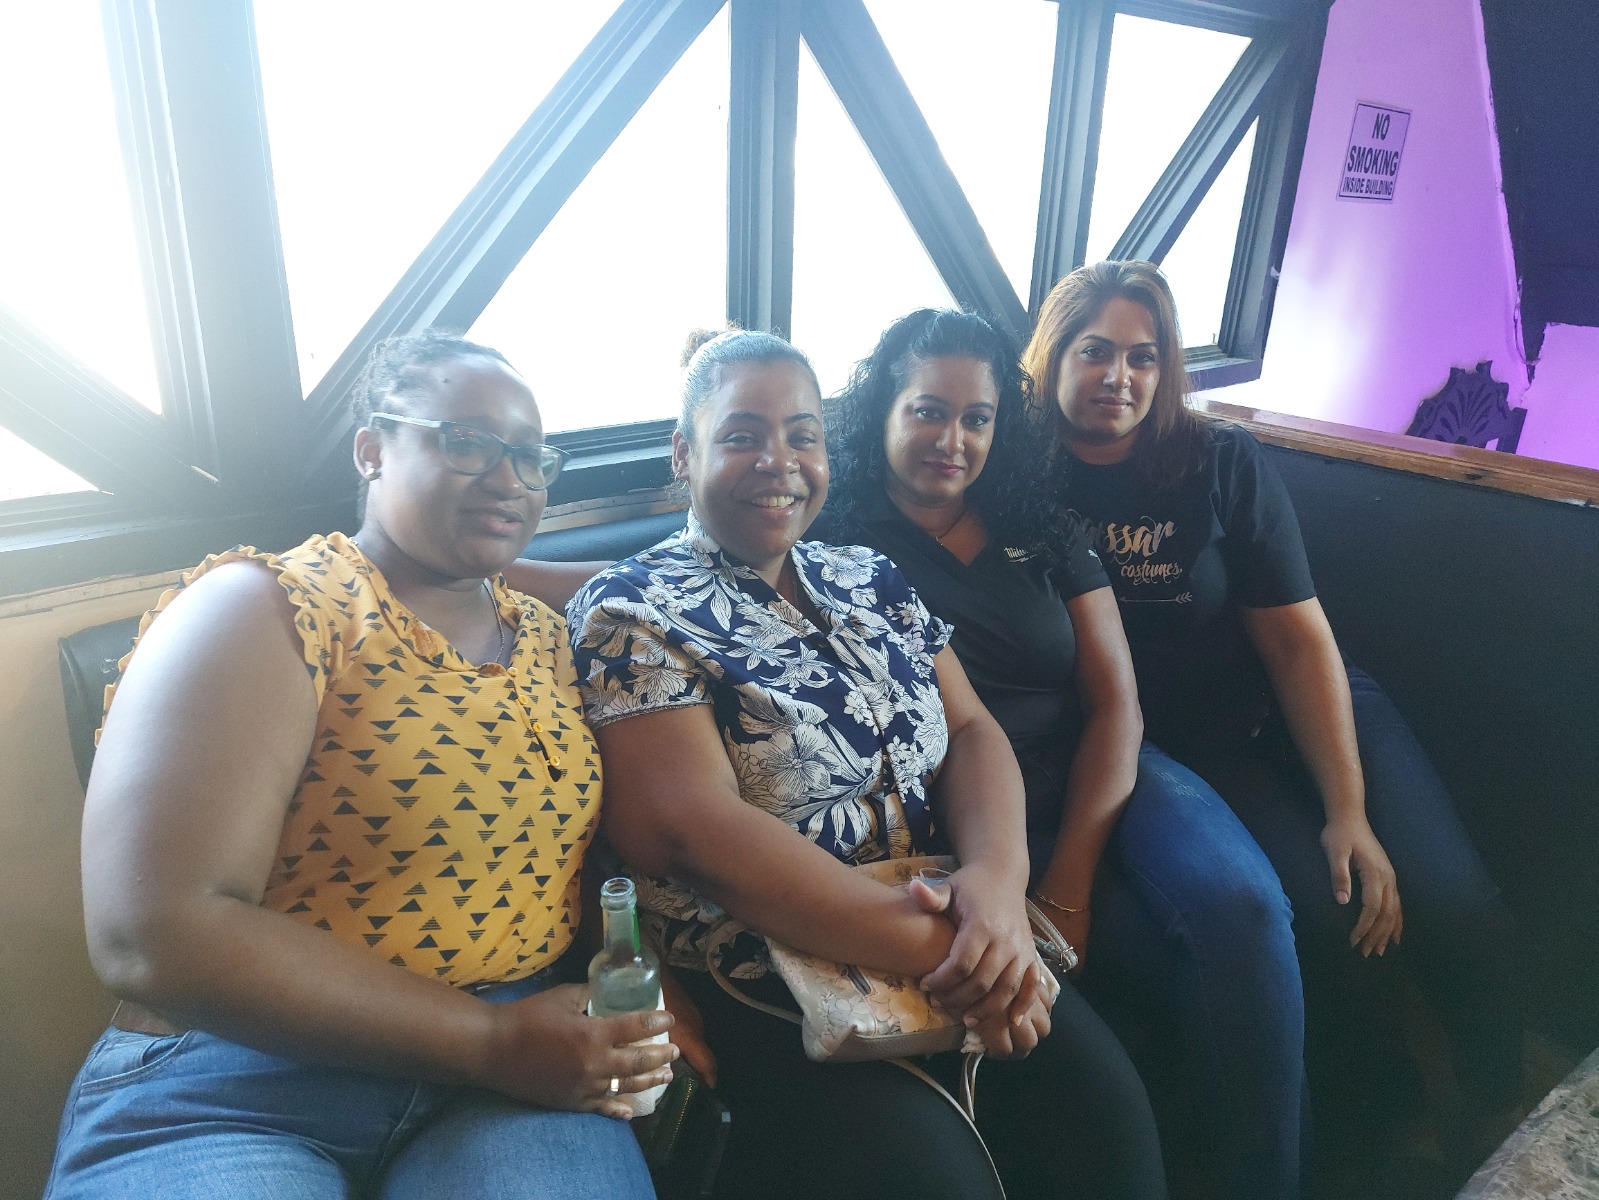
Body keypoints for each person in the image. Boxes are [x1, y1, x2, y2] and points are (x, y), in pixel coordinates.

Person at [46, 331, 676, 1200]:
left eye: (532, 458)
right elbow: (154, 931)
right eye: (467, 442)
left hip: (507, 1079)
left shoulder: (543, 635)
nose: (510, 479)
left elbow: (675, 590)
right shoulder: (264, 608)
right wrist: (489, 1044)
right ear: (372, 449)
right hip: (240, 1077)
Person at [565, 329, 1166, 1200]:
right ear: (683, 454)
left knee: (1108, 1125)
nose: (779, 461)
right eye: (742, 436)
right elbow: (692, 832)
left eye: (802, 435)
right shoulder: (630, 609)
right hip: (762, 976)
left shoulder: (869, 577)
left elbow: (971, 731)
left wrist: (999, 889)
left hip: (955, 931)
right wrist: (964, 951)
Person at [1021, 262, 1524, 1190]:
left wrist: (1347, 809)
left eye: (1143, 356)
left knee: (1447, 895)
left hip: (1309, 701)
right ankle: (1397, 1119)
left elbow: (1297, 644)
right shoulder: (1021, 478)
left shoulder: (1217, 461)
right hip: (1203, 747)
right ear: (1051, 356)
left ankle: (1505, 1104)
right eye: (1094, 351)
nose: (1118, 377)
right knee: (1332, 911)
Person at [818, 308, 1305, 1200]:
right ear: (881, 410)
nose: (951, 440)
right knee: (1145, 973)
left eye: (976, 418)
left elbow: (1116, 702)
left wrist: (1070, 881)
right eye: (927, 411)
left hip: (1104, 772)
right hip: (964, 815)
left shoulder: (1039, 525)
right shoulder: (831, 540)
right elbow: (685, 568)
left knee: (1242, 906)